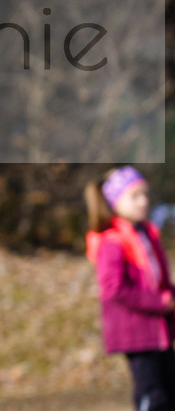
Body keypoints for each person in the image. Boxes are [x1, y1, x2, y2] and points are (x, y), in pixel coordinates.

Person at [85, 166, 175, 410]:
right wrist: (160, 303)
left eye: (145, 194)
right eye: (134, 196)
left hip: (161, 331)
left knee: (171, 392)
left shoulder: (148, 233)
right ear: (115, 201)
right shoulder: (112, 242)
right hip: (137, 333)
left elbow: (161, 282)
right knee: (152, 396)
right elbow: (113, 290)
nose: (143, 201)